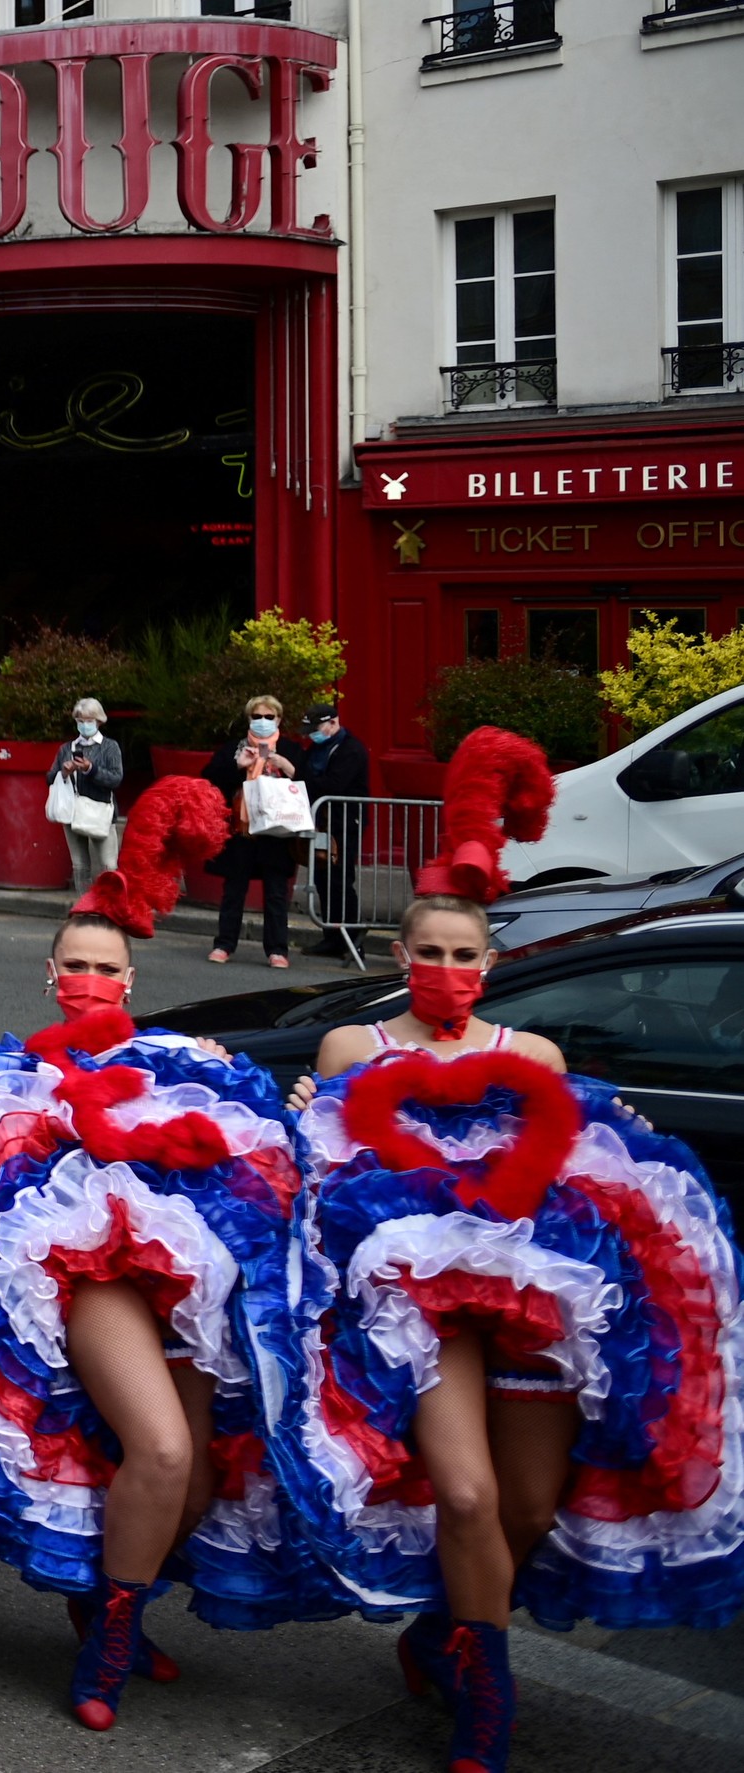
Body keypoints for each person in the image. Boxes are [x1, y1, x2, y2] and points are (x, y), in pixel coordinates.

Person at [272, 729, 742, 1773]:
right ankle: (487, 1694)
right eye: (428, 953)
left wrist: (618, 1134)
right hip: (419, 1308)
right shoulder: (355, 1047)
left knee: (529, 1505)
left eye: (463, 955)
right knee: (469, 1494)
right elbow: (323, 1172)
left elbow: (578, 1157)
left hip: (535, 1292)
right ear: (400, 955)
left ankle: (442, 1630)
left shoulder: (531, 1051)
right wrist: (303, 1109)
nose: (446, 970)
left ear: (491, 964)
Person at [0, 779, 334, 1731]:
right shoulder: (8, 1065)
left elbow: (256, 1128)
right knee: (161, 1447)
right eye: (74, 965)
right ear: (48, 972)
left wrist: (297, 1101)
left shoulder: (172, 1057)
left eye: (105, 968)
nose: (89, 981)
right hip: (90, 1274)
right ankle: (105, 1640)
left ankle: (115, 1600)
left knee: (195, 1477)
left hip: (190, 1284)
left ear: (130, 979)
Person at [202, 694, 303, 968]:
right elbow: (210, 778)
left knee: (276, 893)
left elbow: (308, 782)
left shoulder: (290, 749)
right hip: (241, 830)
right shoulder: (235, 748)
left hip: (277, 832)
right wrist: (238, 766)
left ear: (278, 719)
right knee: (234, 890)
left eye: (269, 717)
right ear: (248, 719)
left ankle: (277, 950)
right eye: (257, 716)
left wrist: (286, 766)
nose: (262, 721)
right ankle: (224, 944)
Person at [298, 702, 373, 941]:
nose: (312, 735)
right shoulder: (317, 749)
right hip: (321, 821)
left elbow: (333, 785)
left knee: (340, 879)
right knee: (322, 877)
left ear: (333, 723)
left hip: (344, 822)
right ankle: (331, 938)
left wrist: (297, 775)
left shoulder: (351, 750)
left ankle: (350, 937)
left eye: (316, 729)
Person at [51, 698, 124, 892]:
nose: (84, 725)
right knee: (80, 866)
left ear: (99, 721)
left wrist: (91, 769)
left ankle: (109, 904)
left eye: (89, 721)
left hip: (101, 811)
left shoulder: (109, 747)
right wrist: (64, 773)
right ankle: (84, 904)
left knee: (109, 865)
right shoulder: (67, 749)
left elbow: (115, 779)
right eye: (80, 721)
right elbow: (50, 777)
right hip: (72, 812)